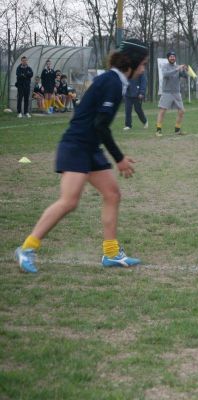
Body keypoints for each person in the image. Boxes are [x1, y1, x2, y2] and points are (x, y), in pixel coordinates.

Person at [14, 38, 149, 274]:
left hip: (89, 146)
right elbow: (100, 125)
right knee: (69, 201)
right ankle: (27, 248)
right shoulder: (112, 83)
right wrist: (119, 158)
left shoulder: (115, 81)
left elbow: (98, 125)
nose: (144, 69)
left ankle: (110, 253)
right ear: (133, 63)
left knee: (112, 194)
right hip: (76, 145)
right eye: (143, 64)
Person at [156, 51, 187, 136]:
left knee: (181, 111)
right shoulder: (165, 66)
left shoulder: (177, 67)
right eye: (171, 57)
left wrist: (184, 70)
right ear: (168, 58)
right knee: (162, 111)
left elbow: (184, 76)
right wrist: (177, 69)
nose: (172, 58)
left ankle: (177, 130)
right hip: (167, 93)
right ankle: (158, 130)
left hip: (177, 93)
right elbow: (166, 74)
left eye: (173, 56)